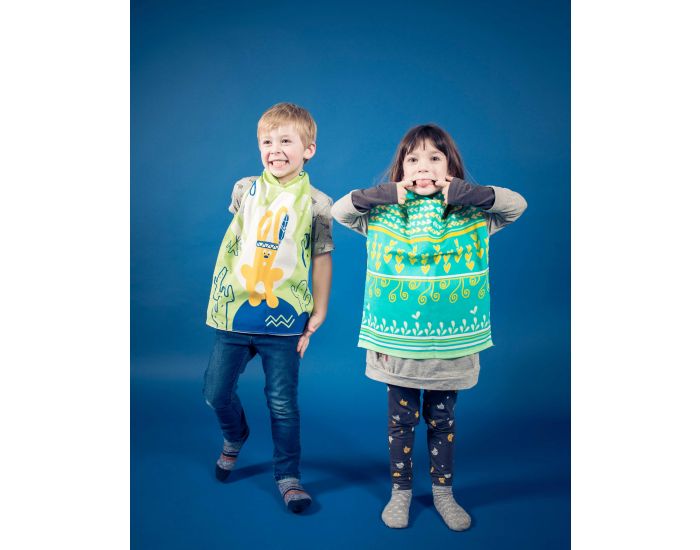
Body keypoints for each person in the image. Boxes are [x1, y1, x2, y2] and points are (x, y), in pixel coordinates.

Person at [331, 124, 526, 530]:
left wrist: (468, 193)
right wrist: (387, 193)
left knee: (443, 421)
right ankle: (400, 492)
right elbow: (340, 210)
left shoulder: (472, 215)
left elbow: (515, 205)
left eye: (435, 158)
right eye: (414, 159)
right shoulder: (382, 214)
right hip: (398, 347)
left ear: (450, 167)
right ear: (401, 169)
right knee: (400, 424)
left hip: (449, 349)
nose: (424, 167)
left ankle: (443, 492)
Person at [203, 103, 333, 513]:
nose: (275, 150)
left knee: (282, 403)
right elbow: (238, 240)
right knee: (215, 392)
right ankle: (235, 435)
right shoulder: (244, 189)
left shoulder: (318, 203)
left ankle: (288, 476)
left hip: (285, 319)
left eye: (286, 141)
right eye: (267, 141)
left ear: (308, 149)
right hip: (235, 312)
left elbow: (321, 258)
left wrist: (319, 312)